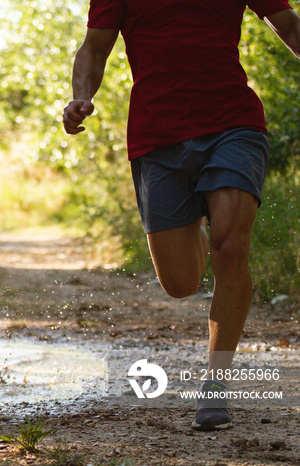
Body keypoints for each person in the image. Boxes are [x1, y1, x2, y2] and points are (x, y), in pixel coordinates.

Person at [63, 0, 300, 431]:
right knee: (180, 283)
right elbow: (95, 48)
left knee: (232, 245)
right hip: (157, 137)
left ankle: (216, 384)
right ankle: (205, 222)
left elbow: (289, 26)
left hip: (234, 123)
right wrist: (81, 96)